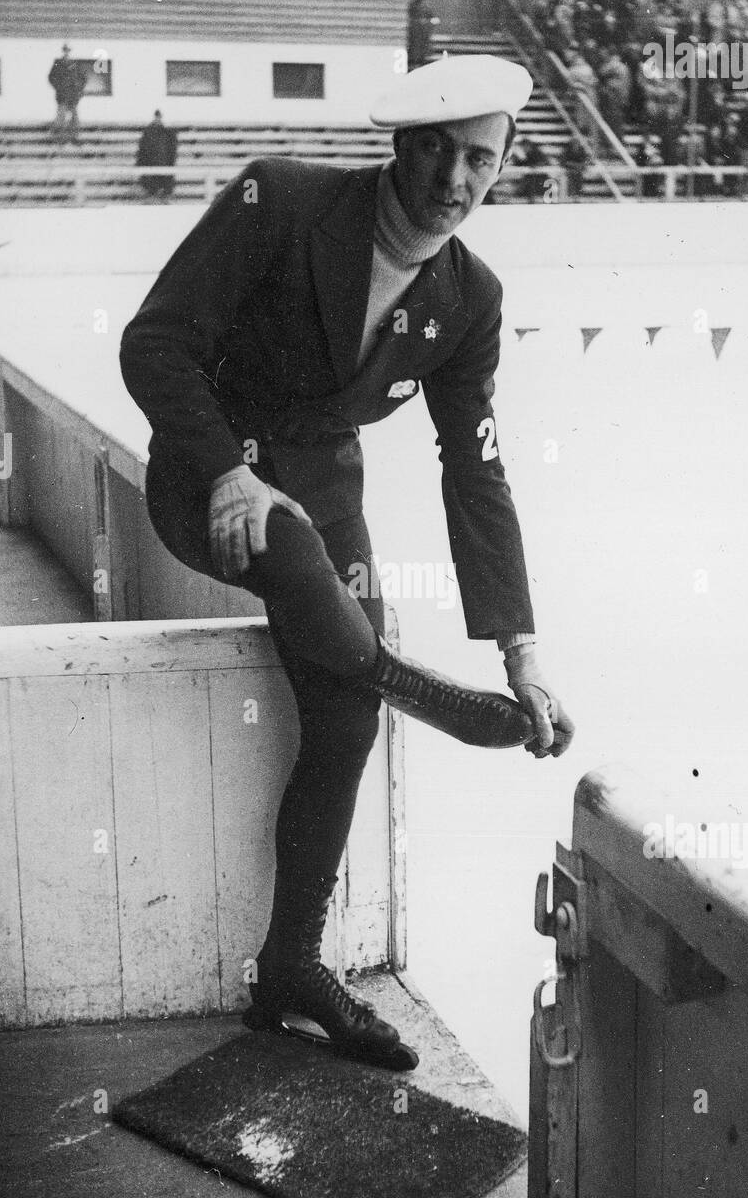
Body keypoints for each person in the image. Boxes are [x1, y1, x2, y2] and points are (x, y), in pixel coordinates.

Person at [119, 56, 575, 1072]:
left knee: (342, 716)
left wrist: (520, 651)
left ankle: (291, 968)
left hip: (324, 490)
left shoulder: (469, 297)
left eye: (481, 161)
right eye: (439, 153)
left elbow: (476, 472)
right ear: (399, 146)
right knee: (290, 555)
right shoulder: (278, 198)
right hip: (210, 472)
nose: (457, 181)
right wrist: (231, 472)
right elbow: (153, 346)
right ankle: (407, 682)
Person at [48, 44, 87, 144]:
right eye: (65, 51)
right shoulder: (57, 63)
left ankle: (75, 138)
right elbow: (51, 77)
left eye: (68, 51)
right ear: (63, 52)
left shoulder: (75, 64)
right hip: (62, 95)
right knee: (61, 116)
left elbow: (83, 78)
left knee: (74, 117)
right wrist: (59, 87)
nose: (67, 53)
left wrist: (78, 89)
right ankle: (60, 138)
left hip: (73, 95)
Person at [136, 110, 178, 199]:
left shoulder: (167, 134)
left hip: (163, 167)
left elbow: (171, 154)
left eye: (159, 117)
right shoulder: (148, 134)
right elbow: (142, 153)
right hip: (150, 167)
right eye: (156, 117)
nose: (157, 119)